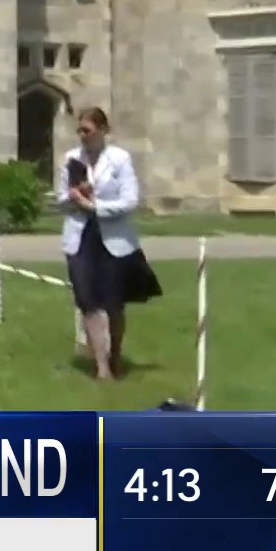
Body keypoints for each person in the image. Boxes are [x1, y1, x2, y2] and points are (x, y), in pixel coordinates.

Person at [57, 106, 161, 381]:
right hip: (80, 239)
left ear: (103, 130)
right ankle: (101, 367)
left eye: (87, 131)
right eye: (79, 130)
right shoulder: (70, 159)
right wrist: (74, 197)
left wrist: (94, 206)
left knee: (114, 304)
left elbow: (129, 201)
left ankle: (115, 354)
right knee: (88, 302)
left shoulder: (120, 159)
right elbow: (60, 201)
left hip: (115, 240)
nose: (82, 136)